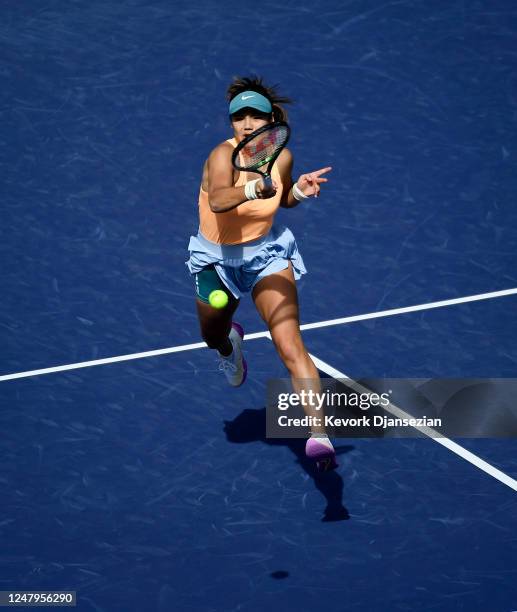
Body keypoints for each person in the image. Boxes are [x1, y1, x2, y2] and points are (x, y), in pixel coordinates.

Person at [186, 76, 336, 471]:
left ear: (271, 120)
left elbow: (281, 198)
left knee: (290, 345)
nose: (248, 123)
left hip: (266, 257)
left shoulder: (281, 157)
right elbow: (219, 200)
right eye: (239, 117)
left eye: (255, 116)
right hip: (216, 259)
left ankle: (318, 436)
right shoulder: (222, 156)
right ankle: (229, 345)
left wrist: (298, 191)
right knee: (212, 334)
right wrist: (256, 189)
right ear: (231, 123)